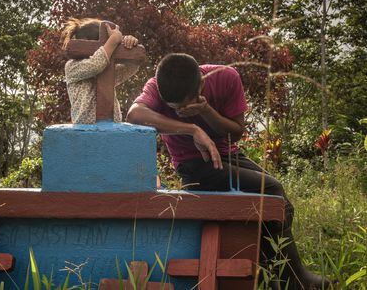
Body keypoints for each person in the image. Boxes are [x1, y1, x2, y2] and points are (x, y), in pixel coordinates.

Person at [126, 53, 331, 289]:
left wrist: (205, 111)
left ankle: (278, 273)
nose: (181, 110)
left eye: (187, 105)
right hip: (194, 165)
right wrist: (191, 129)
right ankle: (292, 279)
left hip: (229, 155)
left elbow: (236, 132)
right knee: (271, 190)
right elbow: (134, 114)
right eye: (176, 108)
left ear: (201, 83)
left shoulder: (226, 77)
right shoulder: (156, 85)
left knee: (281, 202)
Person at [61, 18, 139, 123]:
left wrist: (128, 44)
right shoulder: (72, 67)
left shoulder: (108, 68)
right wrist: (113, 41)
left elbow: (129, 69)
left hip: (113, 126)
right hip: (85, 128)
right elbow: (96, 64)